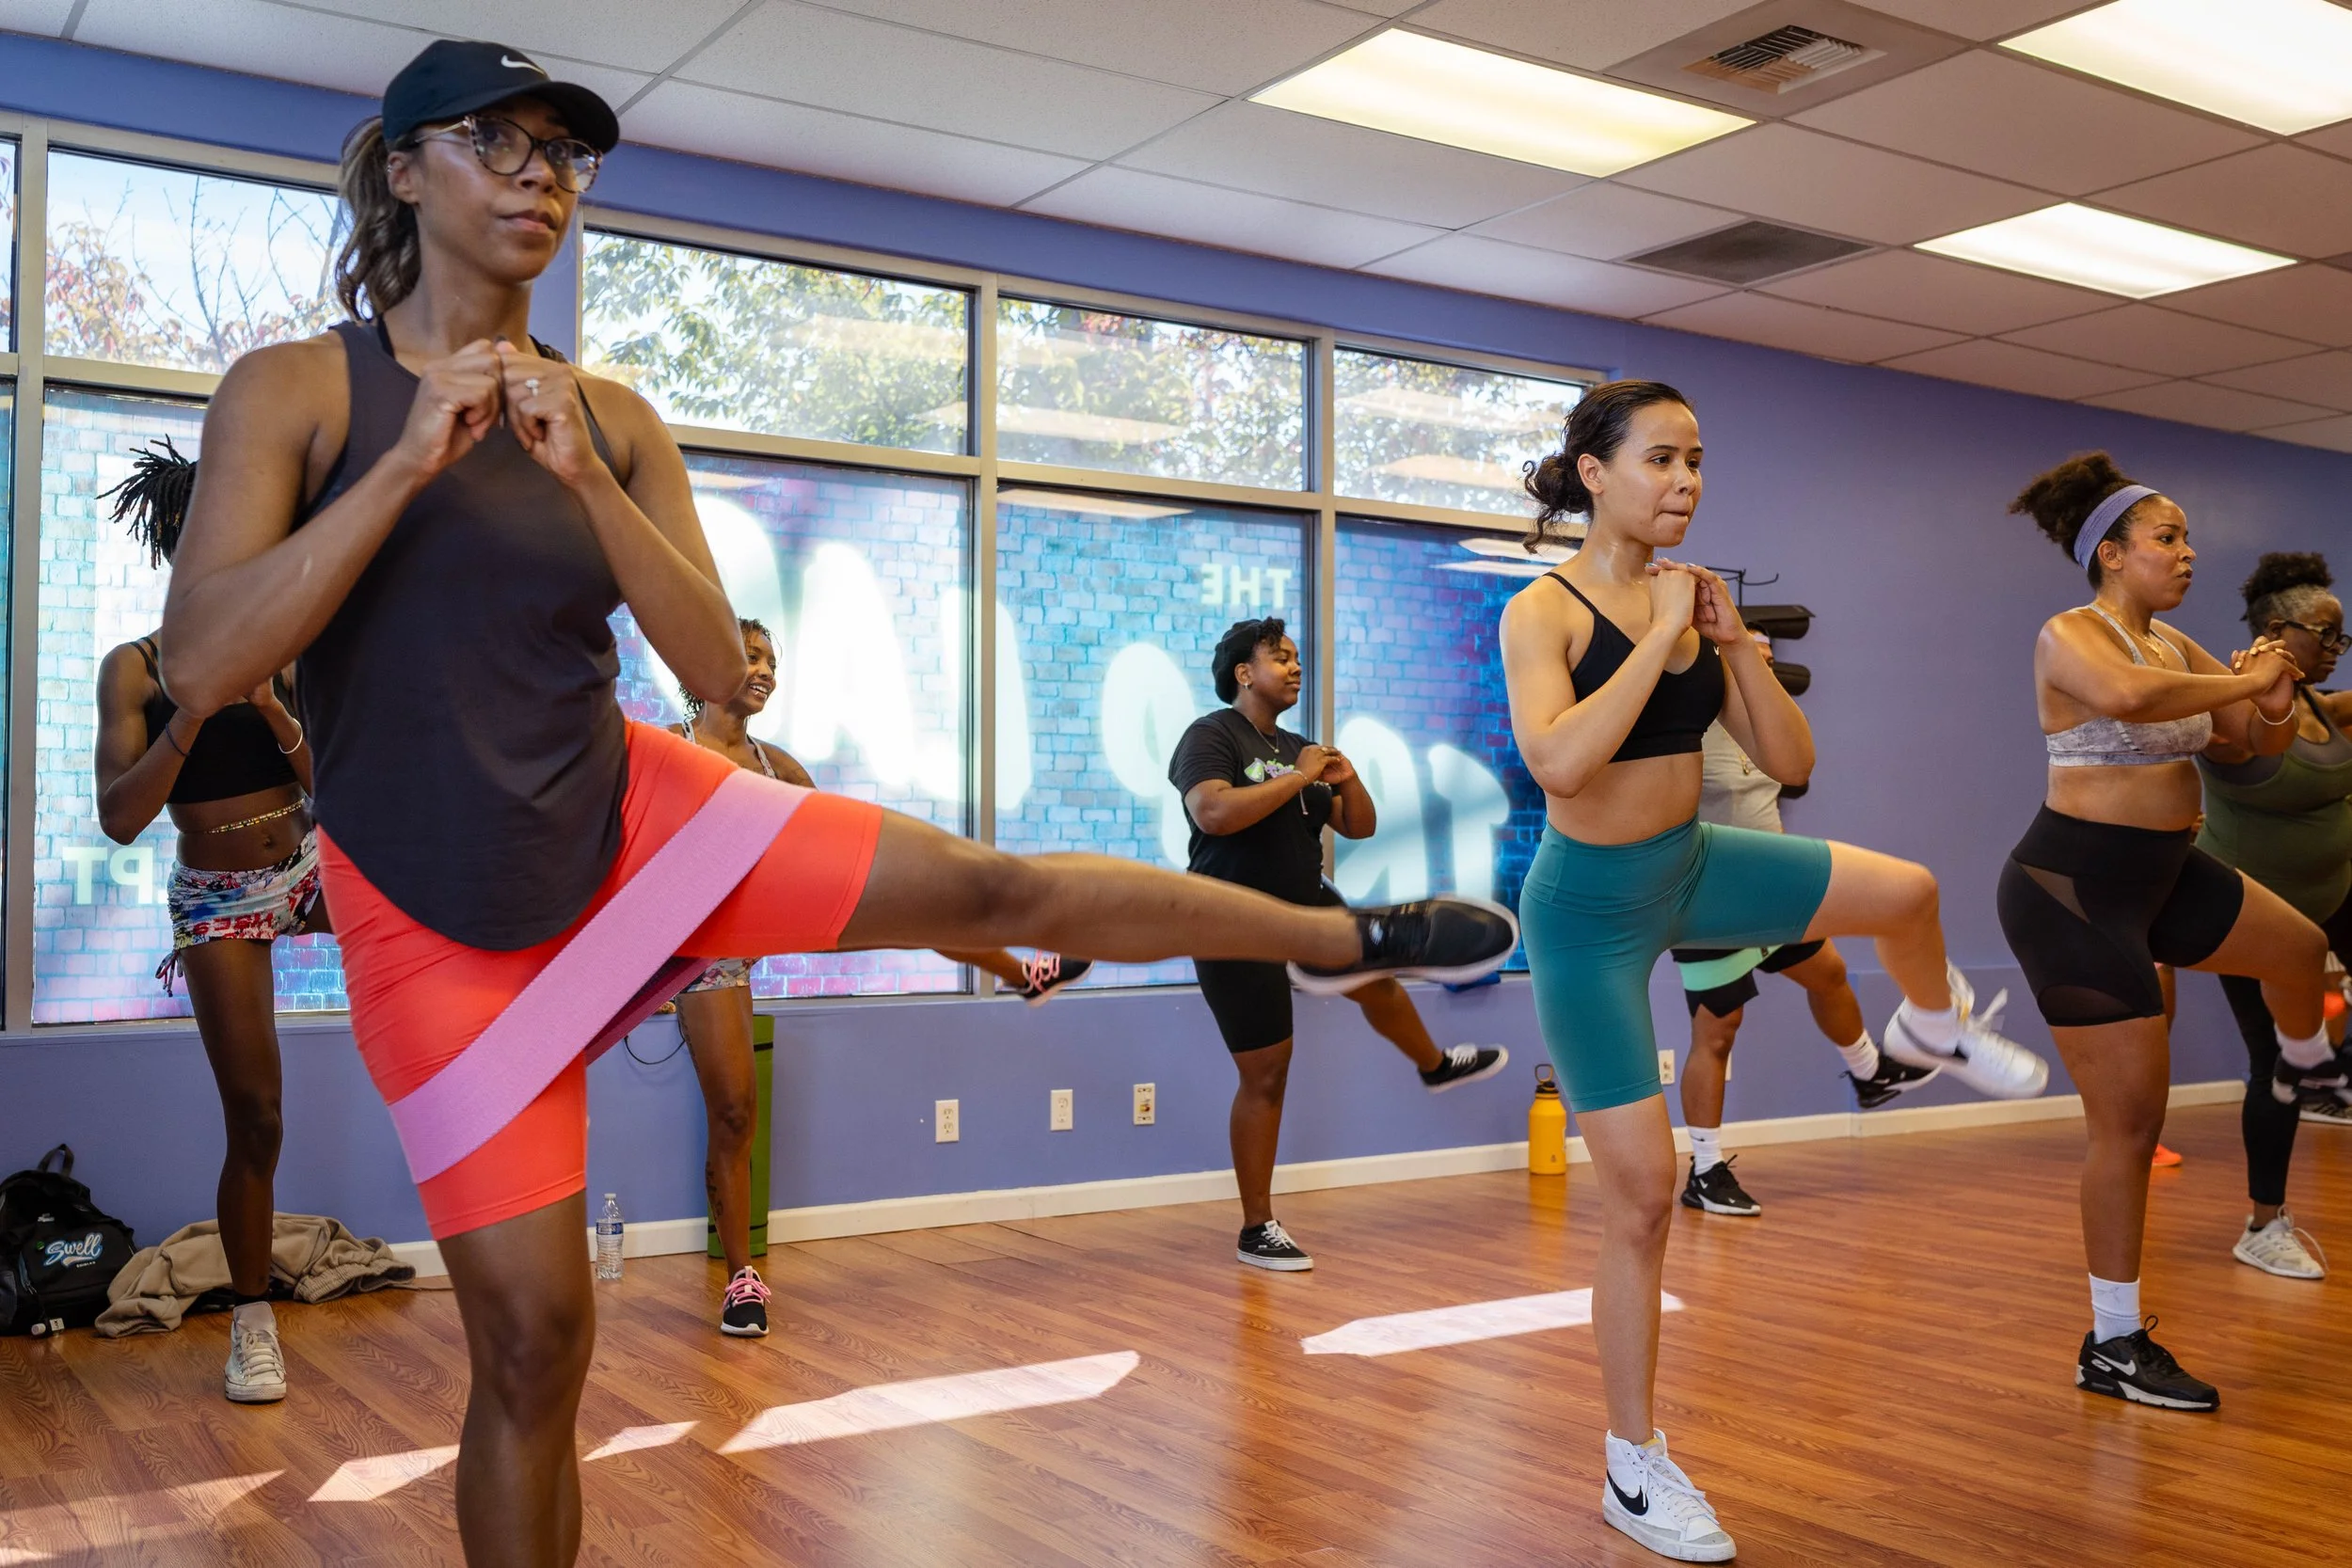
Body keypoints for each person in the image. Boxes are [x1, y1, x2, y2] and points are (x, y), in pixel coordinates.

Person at [157, 41, 1516, 1567]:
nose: (542, 174)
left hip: (635, 818)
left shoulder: (611, 420)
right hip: (431, 915)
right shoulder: (295, 391)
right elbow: (204, 656)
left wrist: (586, 481)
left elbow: (707, 663)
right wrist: (407, 462)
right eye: (497, 141)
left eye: (565, 150)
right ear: (405, 168)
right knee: (539, 1344)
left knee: (994, 890)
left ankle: (1334, 941)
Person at [1499, 380, 2047, 1564]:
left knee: (1905, 892)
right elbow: (1558, 760)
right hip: (1587, 910)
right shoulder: (1539, 610)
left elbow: (1790, 763)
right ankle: (1632, 1466)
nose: (1686, 481)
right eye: (1661, 459)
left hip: (1691, 863)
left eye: (1697, 459)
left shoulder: (1700, 607)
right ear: (1594, 471)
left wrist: (1733, 646)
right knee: (1642, 1195)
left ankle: (1927, 1029)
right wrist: (1653, 636)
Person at [1998, 452, 2328, 1414]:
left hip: (2164, 873)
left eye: (2185, 537)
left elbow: (2245, 750)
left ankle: (2309, 1063)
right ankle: (2110, 1341)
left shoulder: (2177, 644)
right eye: (2168, 537)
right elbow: (2132, 702)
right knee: (2131, 1124)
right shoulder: (2070, 635)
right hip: (2073, 887)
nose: (2188, 553)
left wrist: (2266, 699)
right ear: (2111, 553)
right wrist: (2243, 682)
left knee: (2299, 945)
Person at [668, 616, 1090, 1335]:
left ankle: (1023, 974)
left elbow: (843, 835)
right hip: (701, 952)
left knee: (916, 907)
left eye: (773, 658)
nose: (766, 669)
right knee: (735, 1111)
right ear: (703, 665)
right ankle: (742, 1278)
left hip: (769, 919)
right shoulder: (670, 753)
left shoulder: (777, 764)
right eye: (750, 656)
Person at [92, 441, 326, 1407]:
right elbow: (117, 817)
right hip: (218, 896)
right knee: (258, 1113)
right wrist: (190, 715)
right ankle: (252, 1326)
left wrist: (270, 705)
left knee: (445, 930)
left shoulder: (294, 646)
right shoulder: (136, 669)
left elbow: (334, 786)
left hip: (312, 864)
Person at [1171, 618, 1509, 1271]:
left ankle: (1434, 1064)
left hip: (1307, 900)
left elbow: (1358, 825)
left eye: (1298, 658)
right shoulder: (1211, 734)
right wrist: (1299, 778)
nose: (1295, 668)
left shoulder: (1300, 745)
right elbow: (1212, 811)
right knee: (1266, 1072)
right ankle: (1256, 1226)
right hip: (1231, 915)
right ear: (1244, 672)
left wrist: (1346, 778)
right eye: (1280, 658)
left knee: (1375, 974)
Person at [1670, 631, 1935, 1219]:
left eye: (1769, 661)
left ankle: (1868, 1072)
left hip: (1774, 885)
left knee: (1831, 974)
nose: (1765, 670)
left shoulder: (1768, 726)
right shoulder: (1686, 730)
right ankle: (1705, 1170)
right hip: (1710, 894)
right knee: (1718, 1031)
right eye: (1752, 660)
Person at [2196, 551, 2352, 1275]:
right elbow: (2239, 729)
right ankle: (2264, 1223)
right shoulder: (2228, 710)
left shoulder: (2330, 705)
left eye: (2341, 638)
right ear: (2277, 630)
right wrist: (2252, 684)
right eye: (2327, 635)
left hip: (2336, 893)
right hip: (2249, 914)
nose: (2336, 649)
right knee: (2276, 1062)